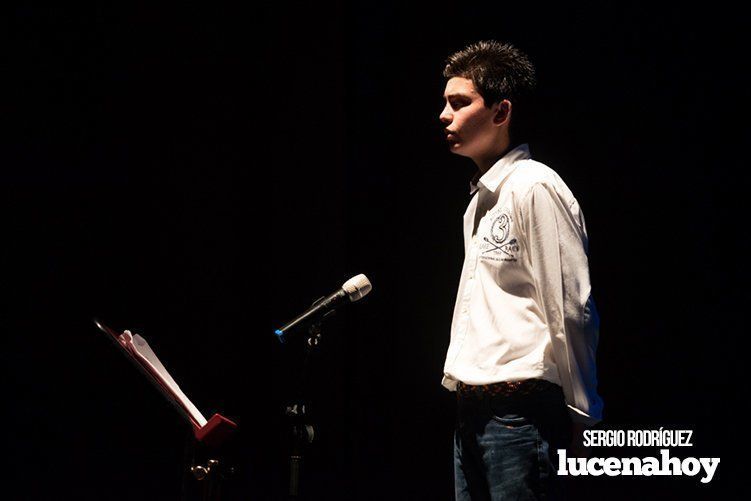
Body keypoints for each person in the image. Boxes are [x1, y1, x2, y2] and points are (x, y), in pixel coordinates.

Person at [439, 40, 603, 500]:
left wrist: (583, 412)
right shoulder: (478, 202)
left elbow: (571, 306)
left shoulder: (535, 186)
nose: (444, 115)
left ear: (500, 111)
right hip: (472, 413)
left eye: (459, 103)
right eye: (444, 103)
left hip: (521, 415)